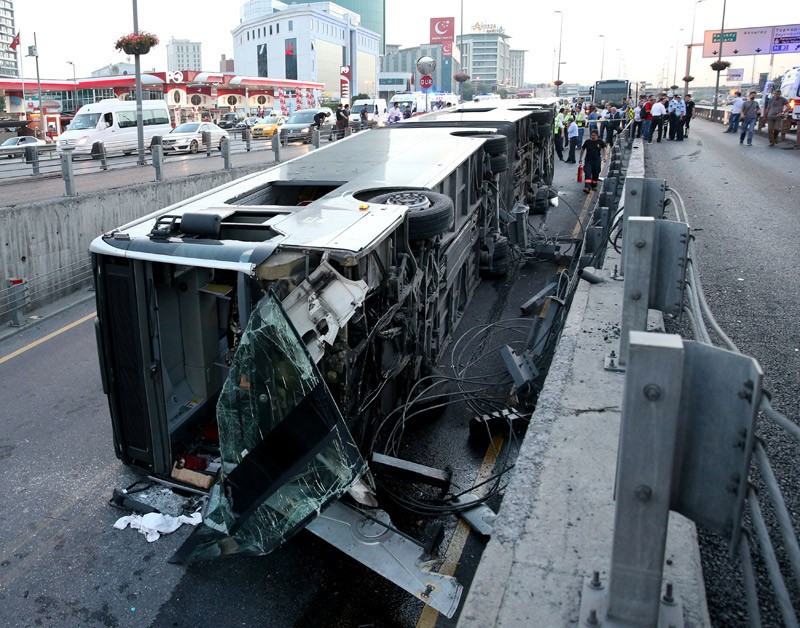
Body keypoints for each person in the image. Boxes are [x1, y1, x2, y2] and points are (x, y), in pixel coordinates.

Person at [579, 128, 607, 193]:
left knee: (596, 173)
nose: (593, 137)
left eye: (594, 135)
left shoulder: (600, 142)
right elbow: (582, 150)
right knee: (588, 173)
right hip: (588, 160)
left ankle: (594, 185)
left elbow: (604, 148)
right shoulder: (587, 142)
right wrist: (580, 158)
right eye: (592, 135)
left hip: (596, 160)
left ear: (597, 135)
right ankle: (587, 187)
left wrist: (605, 157)